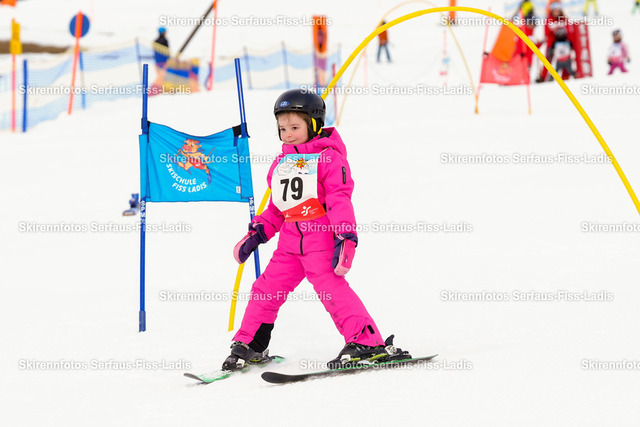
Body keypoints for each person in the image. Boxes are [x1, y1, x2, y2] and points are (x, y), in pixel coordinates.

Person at [223, 89, 407, 371]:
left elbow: (338, 200)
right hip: (288, 247)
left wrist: (345, 237)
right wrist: (259, 232)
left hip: (320, 244)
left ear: (314, 125)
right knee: (265, 290)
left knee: (331, 291)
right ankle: (250, 344)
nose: (288, 134)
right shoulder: (281, 164)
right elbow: (277, 208)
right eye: (282, 129)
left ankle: (366, 342)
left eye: (295, 128)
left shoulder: (329, 159)